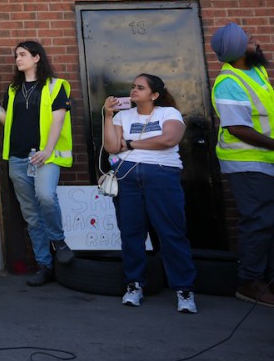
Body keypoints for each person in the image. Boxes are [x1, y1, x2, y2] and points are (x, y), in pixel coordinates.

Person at [0, 40, 75, 286]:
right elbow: (7, 120)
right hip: (18, 158)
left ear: (36, 58)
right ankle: (45, 265)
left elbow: (58, 121)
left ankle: (59, 240)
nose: (17, 59)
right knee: (31, 215)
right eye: (16, 55)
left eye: (22, 54)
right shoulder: (14, 89)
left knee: (45, 196)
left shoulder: (56, 86)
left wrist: (47, 150)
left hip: (45, 156)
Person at [103, 74, 197, 313]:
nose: (134, 90)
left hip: (162, 176)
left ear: (154, 95)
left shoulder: (169, 113)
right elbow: (113, 147)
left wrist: (132, 143)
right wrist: (108, 115)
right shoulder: (123, 116)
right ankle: (134, 284)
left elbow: (169, 138)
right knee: (131, 233)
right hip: (127, 178)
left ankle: (184, 289)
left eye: (140, 88)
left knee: (171, 232)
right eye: (133, 86)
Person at [209, 23, 274, 307]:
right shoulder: (229, 82)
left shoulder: (256, 71)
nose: (255, 41)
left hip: (265, 159)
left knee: (268, 221)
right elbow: (237, 128)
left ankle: (266, 278)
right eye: (249, 40)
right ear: (238, 50)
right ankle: (249, 282)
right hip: (246, 162)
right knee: (258, 220)